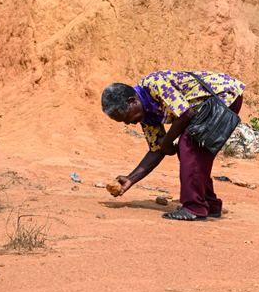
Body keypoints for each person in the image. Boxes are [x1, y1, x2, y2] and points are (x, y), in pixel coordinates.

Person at [101, 70, 245, 221]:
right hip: (206, 105)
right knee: (191, 150)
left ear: (133, 101)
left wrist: (167, 142)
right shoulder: (145, 115)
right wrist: (131, 179)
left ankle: (194, 207)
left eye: (126, 117)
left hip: (224, 95)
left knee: (189, 146)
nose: (128, 123)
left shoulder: (154, 85)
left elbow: (185, 114)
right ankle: (209, 204)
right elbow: (156, 150)